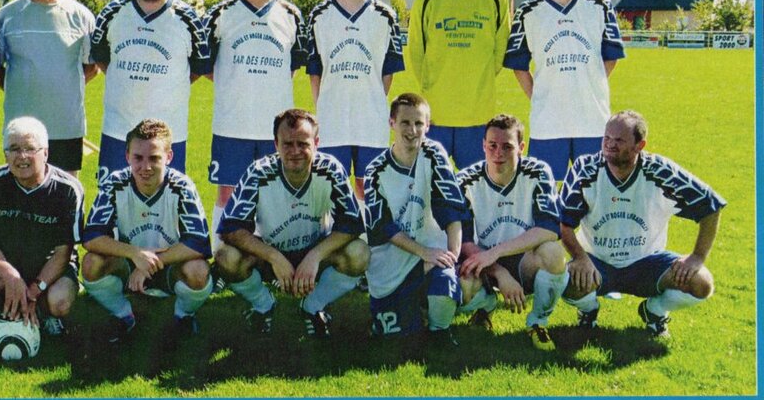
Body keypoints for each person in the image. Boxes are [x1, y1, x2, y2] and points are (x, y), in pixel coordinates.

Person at [559, 110, 725, 338]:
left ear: (640, 145)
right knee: (564, 280)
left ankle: (654, 311)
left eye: (619, 140)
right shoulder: (586, 169)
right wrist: (580, 257)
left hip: (648, 264)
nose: (610, 145)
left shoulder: (661, 172)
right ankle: (589, 310)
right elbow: (563, 222)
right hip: (597, 262)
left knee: (701, 283)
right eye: (607, 138)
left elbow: (711, 205)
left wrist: (697, 256)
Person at [215, 109, 369, 338]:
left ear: (316, 143)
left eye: (303, 144)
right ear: (276, 144)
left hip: (316, 253)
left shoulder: (330, 169)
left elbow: (352, 224)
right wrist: (274, 257)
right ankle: (263, 305)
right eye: (287, 144)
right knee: (226, 256)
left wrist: (314, 256)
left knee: (360, 253)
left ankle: (313, 307)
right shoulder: (258, 172)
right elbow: (231, 229)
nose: (295, 151)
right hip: (270, 255)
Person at [504, 0, 626, 180]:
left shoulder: (599, 4)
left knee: (594, 191)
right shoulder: (527, 11)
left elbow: (610, 57)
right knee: (546, 193)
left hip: (592, 121)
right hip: (548, 125)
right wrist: (540, 98)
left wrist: (587, 84)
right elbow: (519, 66)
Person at [204, 0, 307, 233]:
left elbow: (293, 67)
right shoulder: (220, 15)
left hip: (275, 128)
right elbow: (206, 67)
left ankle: (269, 255)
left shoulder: (291, 16)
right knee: (228, 195)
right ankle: (221, 252)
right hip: (232, 125)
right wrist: (236, 82)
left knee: (274, 195)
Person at [81, 119, 213, 342]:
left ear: (169, 157)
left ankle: (183, 316)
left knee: (198, 270)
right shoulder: (115, 183)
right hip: (128, 264)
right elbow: (92, 237)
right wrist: (135, 254)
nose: (146, 167)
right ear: (127, 156)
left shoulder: (182, 186)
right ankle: (123, 314)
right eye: (138, 158)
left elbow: (199, 243)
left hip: (171, 264)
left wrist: (150, 263)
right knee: (91, 263)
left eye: (154, 158)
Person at [90, 0, 209, 181]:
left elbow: (198, 68)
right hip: (118, 130)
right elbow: (101, 57)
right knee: (113, 196)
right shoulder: (112, 13)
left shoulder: (189, 20)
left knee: (167, 197)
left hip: (169, 134)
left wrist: (166, 83)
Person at [455, 114, 569, 350]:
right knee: (462, 286)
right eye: (492, 145)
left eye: (507, 146)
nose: (498, 153)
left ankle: (537, 322)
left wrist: (496, 253)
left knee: (554, 253)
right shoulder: (465, 180)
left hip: (523, 260)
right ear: (483, 145)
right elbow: (462, 241)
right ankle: (485, 307)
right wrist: (499, 271)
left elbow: (549, 229)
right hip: (482, 263)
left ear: (521, 147)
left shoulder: (538, 172)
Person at [362, 93, 469, 343]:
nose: (412, 131)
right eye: (405, 123)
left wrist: (451, 258)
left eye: (419, 123)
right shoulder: (375, 171)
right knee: (392, 335)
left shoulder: (434, 154)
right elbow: (384, 229)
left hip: (431, 251)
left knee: (447, 282)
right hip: (393, 259)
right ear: (392, 123)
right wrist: (423, 253)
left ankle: (439, 331)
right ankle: (409, 302)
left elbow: (451, 208)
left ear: (428, 125)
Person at [404, 0, 510, 168]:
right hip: (435, 117)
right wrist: (435, 88)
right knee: (432, 186)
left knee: (475, 186)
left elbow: (499, 53)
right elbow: (416, 53)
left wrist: (476, 82)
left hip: (478, 118)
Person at [0, 117, 83, 333]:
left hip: (50, 269)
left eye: (30, 149)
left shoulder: (67, 189)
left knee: (60, 301)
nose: (22, 157)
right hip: (7, 263)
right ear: (5, 155)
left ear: (45, 153)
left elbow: (63, 254)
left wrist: (34, 291)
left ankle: (41, 312)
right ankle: (2, 312)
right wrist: (11, 276)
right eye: (14, 149)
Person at [306, 0, 404, 200]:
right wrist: (322, 107)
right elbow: (315, 71)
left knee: (367, 185)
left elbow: (388, 71)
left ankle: (365, 227)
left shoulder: (385, 15)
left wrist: (373, 100)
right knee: (330, 185)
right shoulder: (319, 16)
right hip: (332, 117)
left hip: (370, 119)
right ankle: (334, 228)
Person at [0, 0, 96, 178]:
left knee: (67, 193)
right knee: (21, 194)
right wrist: (21, 89)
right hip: (21, 129)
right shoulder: (6, 17)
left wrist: (62, 87)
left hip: (66, 126)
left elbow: (92, 67)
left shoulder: (81, 16)